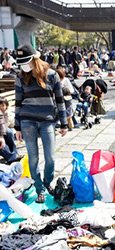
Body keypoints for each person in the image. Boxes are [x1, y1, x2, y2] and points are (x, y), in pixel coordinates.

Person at [14, 44, 68, 203]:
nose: (24, 66)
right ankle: (39, 189)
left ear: (34, 59)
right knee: (33, 158)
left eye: (26, 62)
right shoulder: (20, 76)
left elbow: (60, 100)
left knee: (50, 157)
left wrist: (64, 123)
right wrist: (17, 126)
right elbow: (18, 102)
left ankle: (47, 182)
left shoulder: (52, 75)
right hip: (27, 120)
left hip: (47, 121)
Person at [0, 98, 22, 164]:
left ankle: (14, 154)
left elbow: (5, 124)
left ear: (6, 106)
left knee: (9, 132)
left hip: (2, 130)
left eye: (2, 105)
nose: (1, 107)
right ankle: (12, 158)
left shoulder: (6, 113)